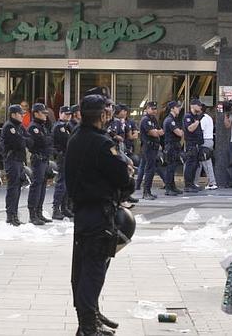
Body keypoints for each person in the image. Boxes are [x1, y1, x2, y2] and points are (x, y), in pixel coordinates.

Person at [65, 94, 133, 335]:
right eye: (108, 111)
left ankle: (90, 315)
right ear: (102, 115)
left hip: (85, 211)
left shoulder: (76, 138)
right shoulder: (101, 143)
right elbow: (123, 177)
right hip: (98, 213)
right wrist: (127, 170)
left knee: (85, 269)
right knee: (92, 270)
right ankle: (87, 325)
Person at [1, 104, 30, 226]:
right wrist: (23, 140)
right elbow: (19, 142)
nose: (22, 116)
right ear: (13, 114)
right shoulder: (9, 127)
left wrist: (24, 140)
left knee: (17, 187)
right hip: (12, 159)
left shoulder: (19, 127)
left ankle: (14, 213)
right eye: (20, 114)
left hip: (19, 159)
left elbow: (30, 140)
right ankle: (10, 214)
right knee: (13, 188)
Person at [27, 103, 53, 225]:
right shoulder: (34, 127)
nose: (45, 116)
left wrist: (47, 139)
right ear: (36, 113)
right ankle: (33, 214)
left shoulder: (42, 126)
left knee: (42, 186)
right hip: (38, 159)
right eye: (43, 113)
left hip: (44, 158)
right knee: (36, 186)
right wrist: (47, 139)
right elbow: (43, 141)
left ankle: (39, 211)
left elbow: (50, 139)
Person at [138, 101, 163, 200]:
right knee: (149, 170)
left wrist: (157, 132)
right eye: (152, 109)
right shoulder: (145, 120)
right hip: (148, 147)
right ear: (147, 109)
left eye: (155, 109)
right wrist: (157, 132)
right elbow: (154, 133)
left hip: (153, 147)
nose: (154, 111)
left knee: (151, 170)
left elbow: (161, 131)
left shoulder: (153, 119)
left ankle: (148, 191)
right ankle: (146, 192)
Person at [51, 105, 73, 220]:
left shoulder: (68, 126)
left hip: (68, 157)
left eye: (69, 114)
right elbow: (69, 141)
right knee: (62, 183)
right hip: (62, 156)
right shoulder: (60, 127)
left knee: (67, 183)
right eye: (66, 114)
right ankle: (56, 208)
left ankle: (64, 207)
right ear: (60, 114)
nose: (68, 116)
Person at [162, 101, 184, 196]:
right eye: (177, 107)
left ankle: (172, 186)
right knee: (170, 168)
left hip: (174, 145)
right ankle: (168, 188)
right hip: (171, 146)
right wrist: (182, 130)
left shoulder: (174, 119)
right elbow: (179, 133)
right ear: (172, 108)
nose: (178, 109)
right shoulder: (170, 120)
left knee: (173, 167)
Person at [194, 104, 218, 190]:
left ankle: (212, 182)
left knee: (206, 162)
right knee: (199, 163)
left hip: (205, 141)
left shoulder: (203, 118)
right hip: (209, 141)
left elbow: (200, 131)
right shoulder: (208, 117)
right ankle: (195, 182)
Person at [182, 99, 204, 192]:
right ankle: (188, 185)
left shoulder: (195, 116)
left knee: (195, 165)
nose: (200, 107)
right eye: (198, 105)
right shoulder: (188, 116)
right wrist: (197, 121)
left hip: (196, 144)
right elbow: (190, 129)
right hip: (191, 144)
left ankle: (192, 184)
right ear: (193, 106)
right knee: (190, 164)